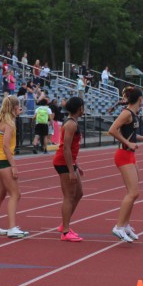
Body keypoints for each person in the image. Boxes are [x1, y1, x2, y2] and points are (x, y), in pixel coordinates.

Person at [107, 87, 143, 242]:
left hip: (130, 155)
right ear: (140, 99)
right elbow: (112, 130)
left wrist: (141, 138)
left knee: (135, 193)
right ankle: (119, 227)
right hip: (123, 155)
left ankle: (125, 225)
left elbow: (130, 133)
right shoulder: (126, 113)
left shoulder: (133, 114)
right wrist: (128, 143)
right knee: (132, 193)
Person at [0, 95, 28, 238]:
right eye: (18, 105)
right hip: (4, 161)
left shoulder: (1, 119)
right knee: (16, 194)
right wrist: (13, 166)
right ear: (15, 107)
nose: (20, 108)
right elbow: (6, 146)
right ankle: (12, 228)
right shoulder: (9, 123)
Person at [54, 96, 85, 242]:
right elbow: (66, 148)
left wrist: (76, 165)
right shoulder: (71, 124)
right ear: (80, 108)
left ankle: (64, 225)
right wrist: (71, 170)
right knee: (69, 196)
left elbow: (71, 148)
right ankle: (65, 231)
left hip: (70, 162)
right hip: (63, 163)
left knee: (79, 193)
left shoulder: (73, 122)